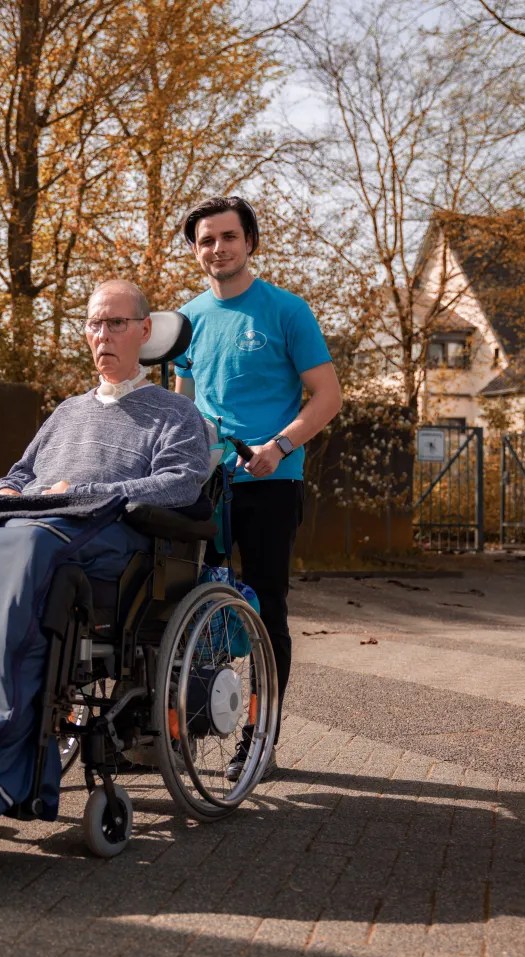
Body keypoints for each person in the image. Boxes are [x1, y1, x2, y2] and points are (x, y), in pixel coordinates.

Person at [173, 196, 343, 780]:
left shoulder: (286, 310)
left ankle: (259, 737)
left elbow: (328, 396)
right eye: (206, 240)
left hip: (271, 481)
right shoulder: (187, 320)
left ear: (250, 242)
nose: (217, 248)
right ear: (195, 250)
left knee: (266, 607)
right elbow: (184, 407)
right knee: (191, 605)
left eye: (228, 237)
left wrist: (279, 447)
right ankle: (191, 724)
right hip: (206, 484)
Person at [0, 279, 210, 510]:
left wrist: (78, 495)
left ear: (145, 330)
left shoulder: (177, 413)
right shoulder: (66, 411)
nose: (102, 335)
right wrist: (5, 491)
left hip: (86, 524)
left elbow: (179, 485)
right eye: (95, 324)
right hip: (21, 519)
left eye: (117, 323)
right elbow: (21, 474)